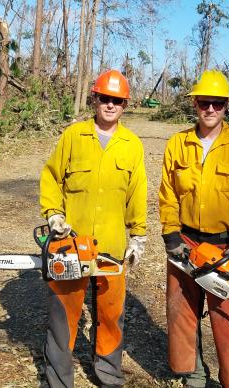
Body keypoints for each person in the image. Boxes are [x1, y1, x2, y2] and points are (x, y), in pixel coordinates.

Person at [39, 69, 147, 388]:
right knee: (64, 315)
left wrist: (138, 235)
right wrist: (54, 214)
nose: (110, 105)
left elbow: (137, 192)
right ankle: (57, 381)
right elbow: (51, 176)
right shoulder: (74, 136)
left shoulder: (132, 145)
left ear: (124, 104)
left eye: (117, 100)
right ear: (94, 99)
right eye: (105, 98)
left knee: (112, 314)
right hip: (72, 243)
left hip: (112, 244)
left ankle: (109, 374)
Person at [158, 69, 229, 388]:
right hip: (186, 242)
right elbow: (167, 193)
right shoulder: (178, 144)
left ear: (226, 106)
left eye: (217, 104)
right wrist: (171, 234)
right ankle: (193, 376)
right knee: (182, 314)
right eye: (205, 102)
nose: (210, 110)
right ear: (195, 104)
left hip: (226, 245)